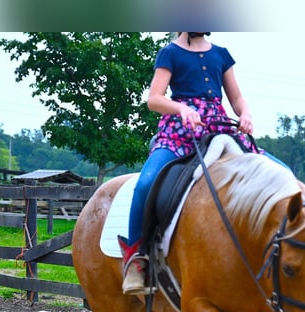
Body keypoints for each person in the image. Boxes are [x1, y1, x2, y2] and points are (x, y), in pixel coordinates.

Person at [118, 32, 279, 295]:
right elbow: (154, 98)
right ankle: (136, 260)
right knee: (145, 183)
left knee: (279, 171)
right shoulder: (170, 52)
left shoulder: (221, 54)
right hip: (180, 131)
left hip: (218, 127)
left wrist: (246, 114)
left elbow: (237, 99)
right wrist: (181, 109)